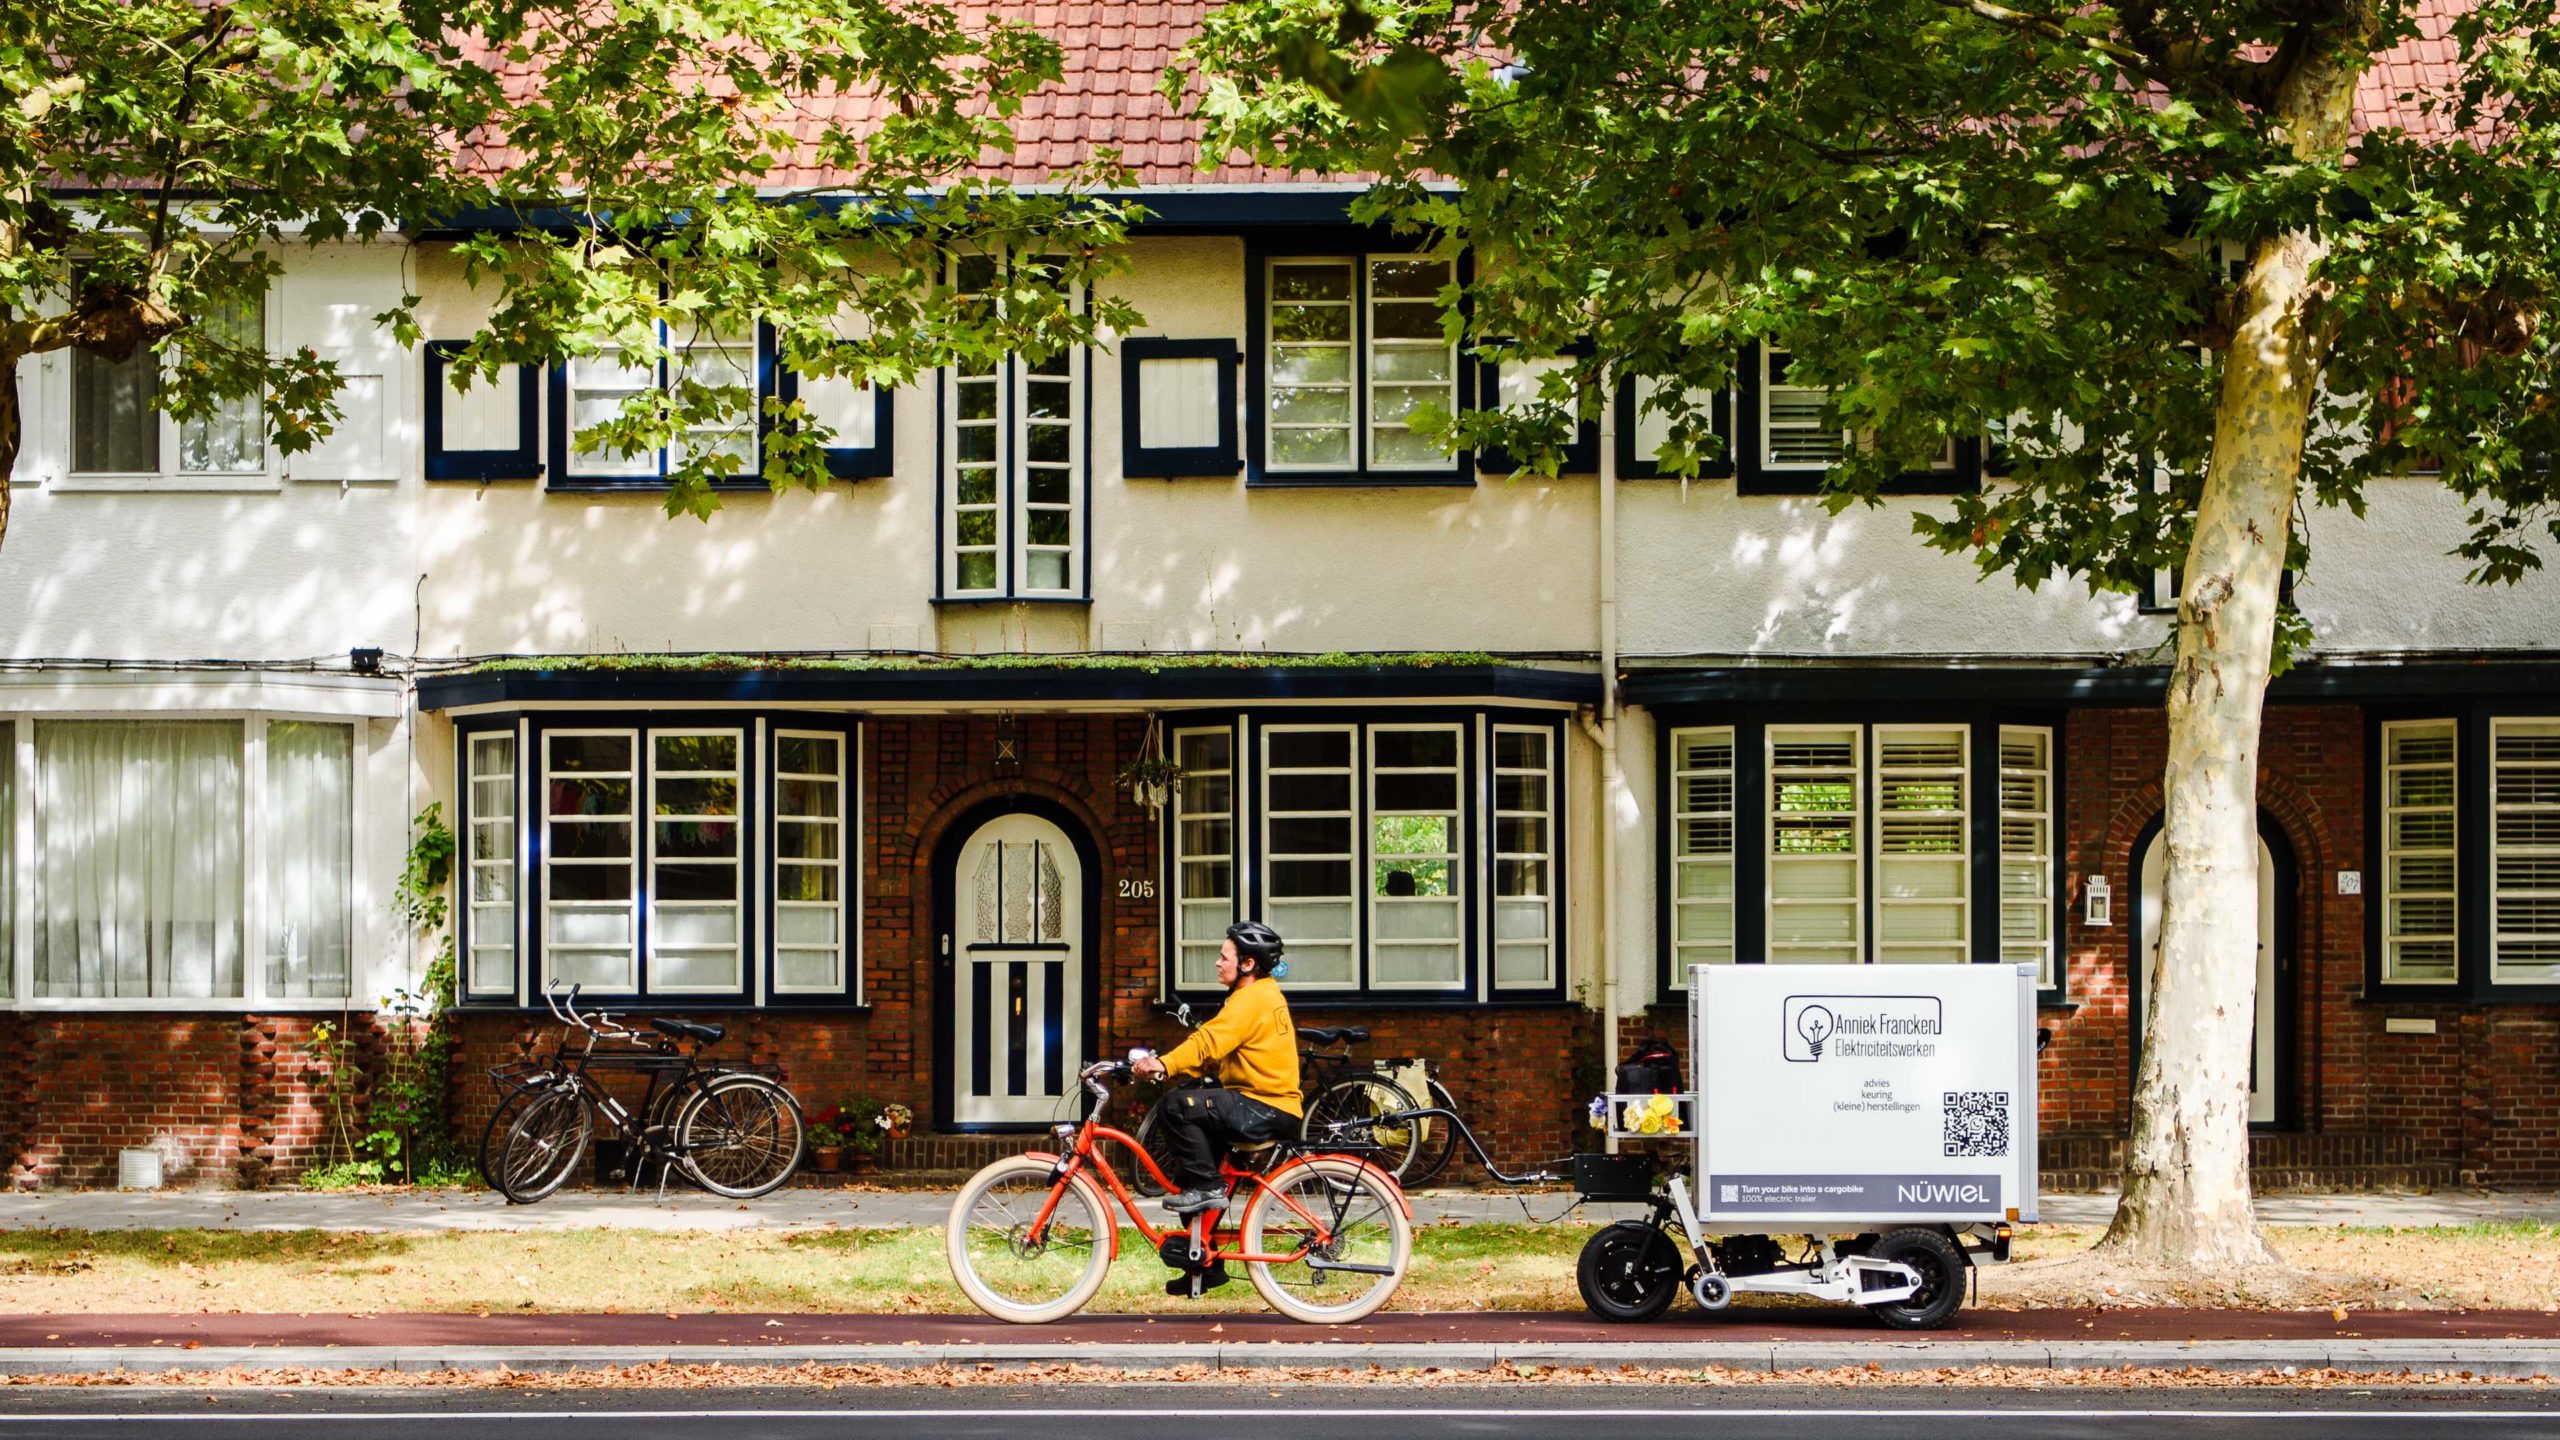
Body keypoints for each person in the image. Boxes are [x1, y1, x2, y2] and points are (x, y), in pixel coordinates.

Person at [1134, 920, 1302, 1221]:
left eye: (1225, 957)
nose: (1217, 962)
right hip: (1265, 1104)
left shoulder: (1251, 1000)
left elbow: (1208, 1041)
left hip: (1264, 1107)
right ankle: (1202, 1261)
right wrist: (1174, 1066)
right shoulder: (1262, 993)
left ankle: (1209, 1186)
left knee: (1175, 1107)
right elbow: (1218, 1048)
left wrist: (1164, 1064)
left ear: (1248, 964)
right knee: (1191, 1169)